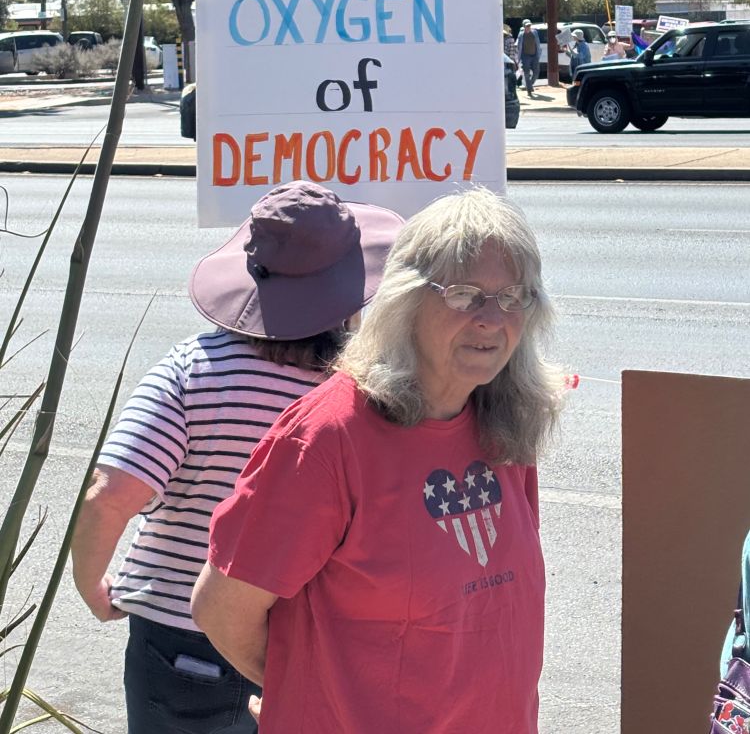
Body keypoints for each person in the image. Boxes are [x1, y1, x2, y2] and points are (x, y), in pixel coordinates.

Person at [193, 187, 563, 734]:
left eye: (513, 297)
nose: (492, 317)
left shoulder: (506, 423)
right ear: (407, 300)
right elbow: (223, 608)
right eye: (464, 294)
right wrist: (306, 690)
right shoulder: (327, 438)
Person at [70, 180, 403, 734]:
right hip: (304, 640)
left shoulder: (192, 370)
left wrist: (92, 587)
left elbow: (108, 497)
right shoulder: (364, 393)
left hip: (180, 643)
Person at [516, 18, 541, 96]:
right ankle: (529, 90)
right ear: (524, 27)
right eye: (527, 26)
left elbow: (538, 43)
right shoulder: (521, 35)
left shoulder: (535, 32)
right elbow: (518, 45)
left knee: (536, 72)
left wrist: (538, 53)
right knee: (526, 73)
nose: (528, 27)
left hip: (534, 55)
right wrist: (518, 58)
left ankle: (529, 85)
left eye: (529, 26)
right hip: (525, 56)